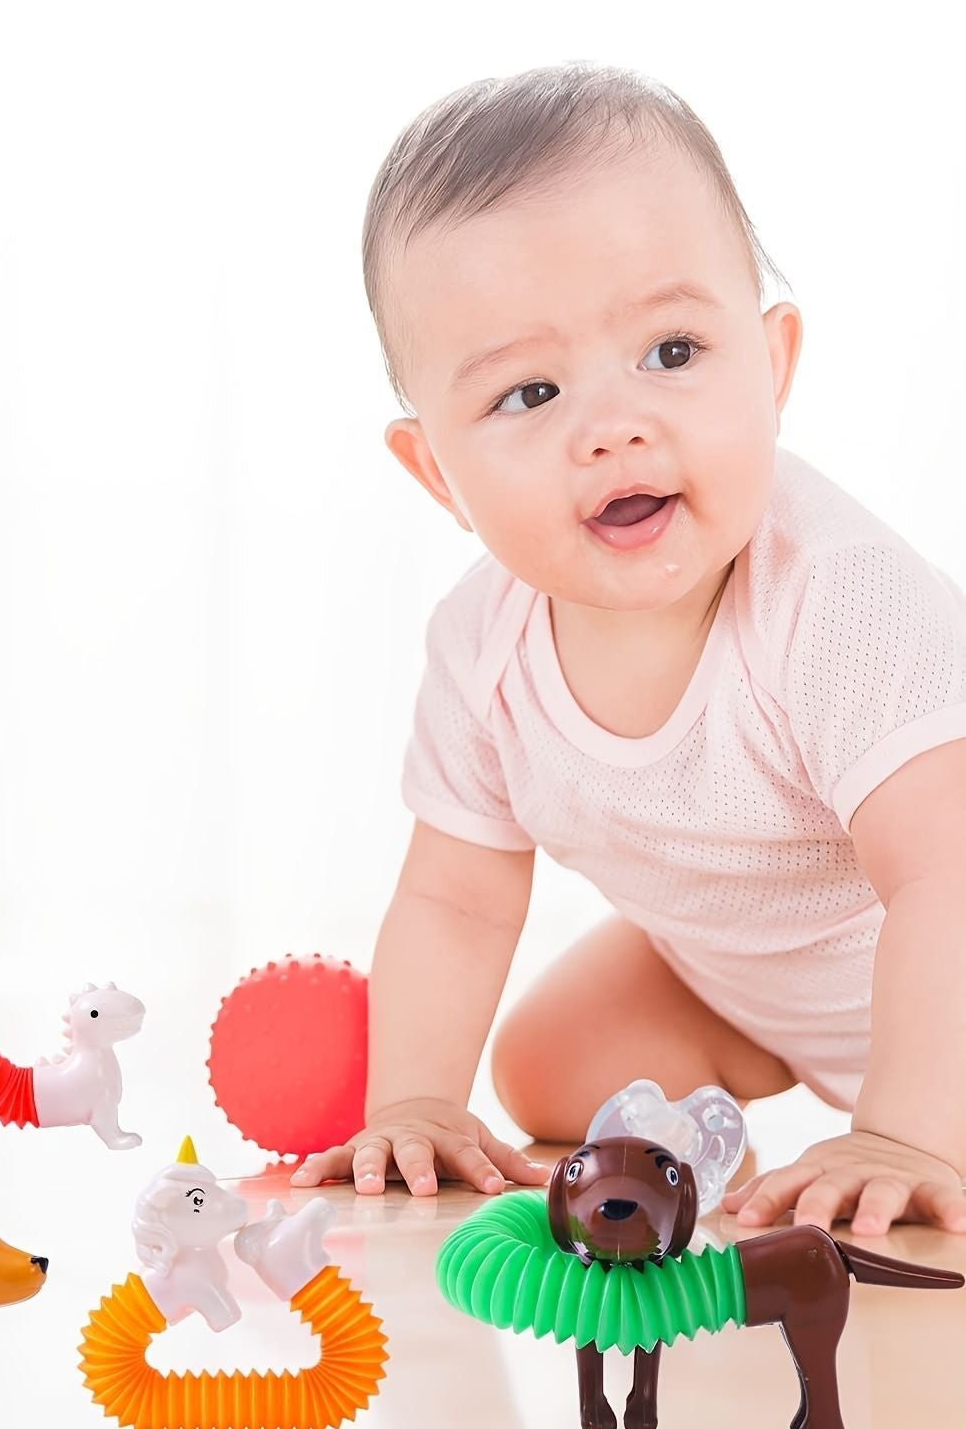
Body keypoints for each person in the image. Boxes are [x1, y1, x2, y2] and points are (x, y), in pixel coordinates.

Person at [291, 61, 966, 1236]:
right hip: (748, 986)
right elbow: (455, 899)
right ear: (437, 473)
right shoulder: (483, 651)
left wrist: (906, 1131)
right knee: (548, 1065)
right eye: (531, 392)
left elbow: (946, 876)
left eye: (672, 353)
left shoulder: (839, 599)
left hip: (940, 960)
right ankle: (737, 1114)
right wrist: (414, 1103)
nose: (615, 427)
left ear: (774, 366)